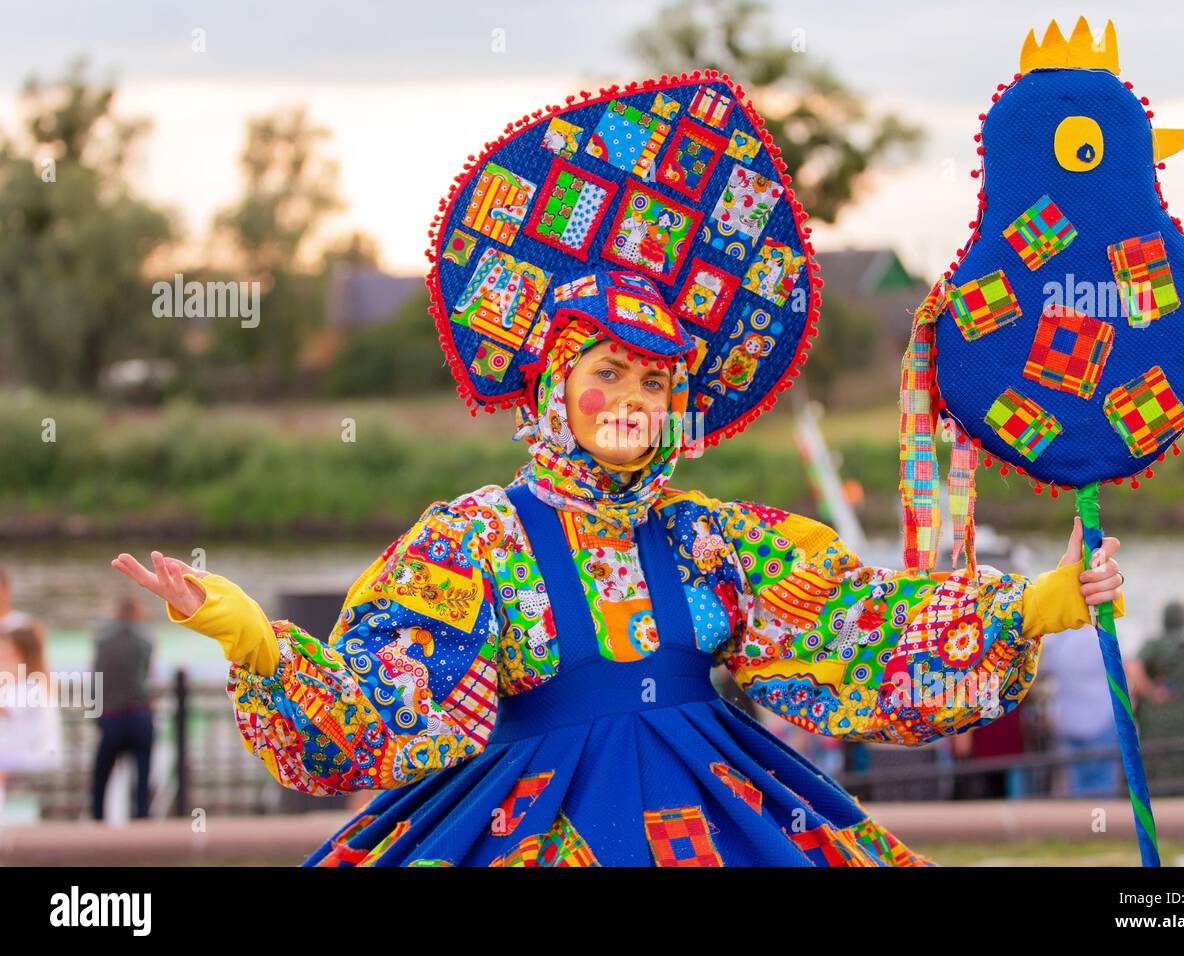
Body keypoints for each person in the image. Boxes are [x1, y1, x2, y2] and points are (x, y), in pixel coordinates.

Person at [109, 75, 1125, 867]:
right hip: (535, 817)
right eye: (607, 371)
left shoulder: (716, 540)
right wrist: (247, 634)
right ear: (555, 383)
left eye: (653, 374)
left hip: (721, 807)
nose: (631, 395)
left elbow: (852, 637)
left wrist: (1039, 601)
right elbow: (387, 708)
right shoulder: (477, 541)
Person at [89, 595, 156, 820]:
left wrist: (96, 716)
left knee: (100, 778)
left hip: (111, 717)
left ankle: (98, 821)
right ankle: (141, 822)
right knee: (142, 777)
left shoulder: (102, 640)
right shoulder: (145, 641)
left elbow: (95, 680)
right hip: (139, 715)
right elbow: (147, 679)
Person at [1132, 600, 1184, 784]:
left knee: (1158, 761)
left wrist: (1150, 692)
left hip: (1158, 715)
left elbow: (1133, 667)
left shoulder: (1155, 643)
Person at [1041, 625, 1121, 797]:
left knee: (1075, 786)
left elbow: (1048, 671)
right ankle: (1100, 823)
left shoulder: (1059, 639)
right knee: (1103, 784)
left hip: (1068, 720)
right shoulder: (1101, 636)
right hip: (1102, 718)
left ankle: (1085, 822)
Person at [0, 619, 63, 818]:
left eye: (6, 651)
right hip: (22, 754)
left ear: (21, 654)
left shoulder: (33, 687)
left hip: (37, 757)